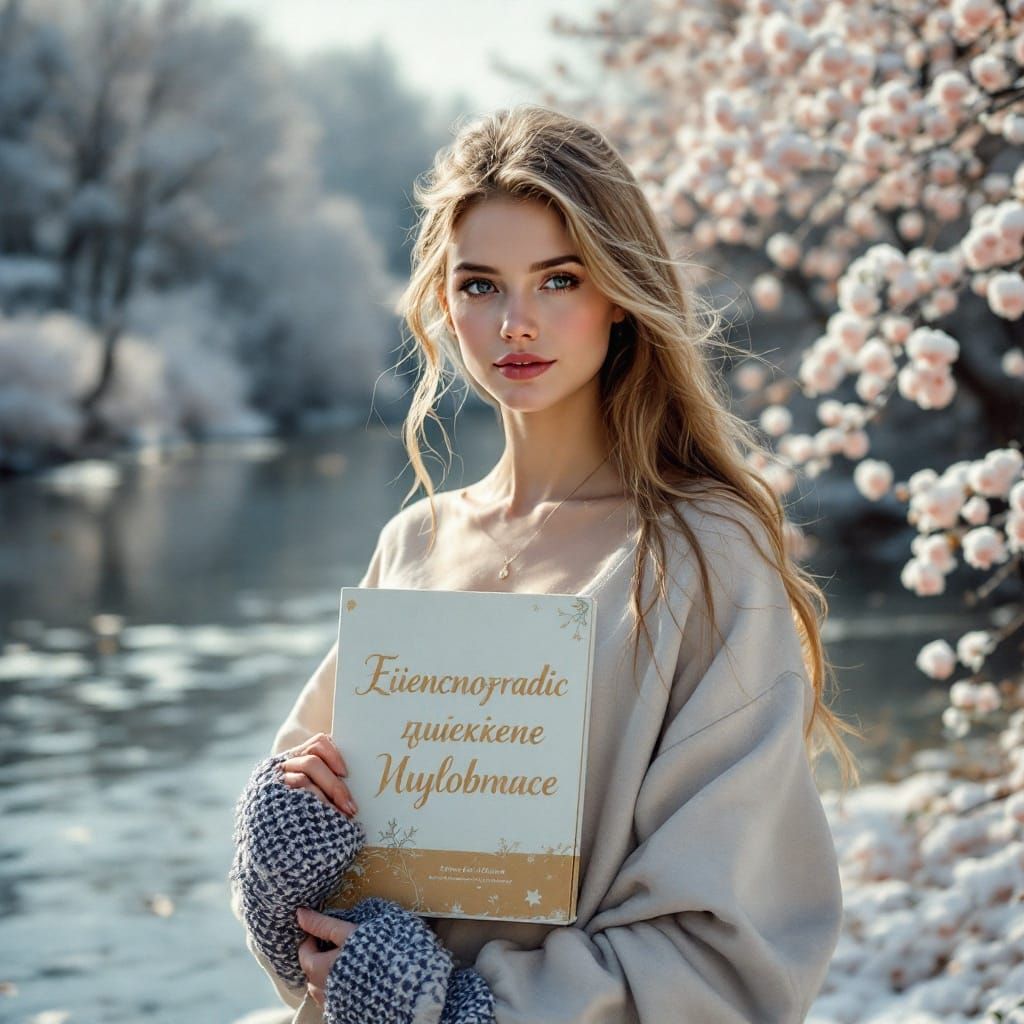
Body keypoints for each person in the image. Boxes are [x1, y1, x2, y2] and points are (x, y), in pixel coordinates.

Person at [230, 104, 860, 1024]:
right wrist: (281, 846)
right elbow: (319, 953)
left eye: (557, 279)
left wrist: (463, 1014)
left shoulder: (702, 552)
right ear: (444, 303)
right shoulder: (416, 543)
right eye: (480, 285)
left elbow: (736, 950)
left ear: (617, 291)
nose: (516, 323)